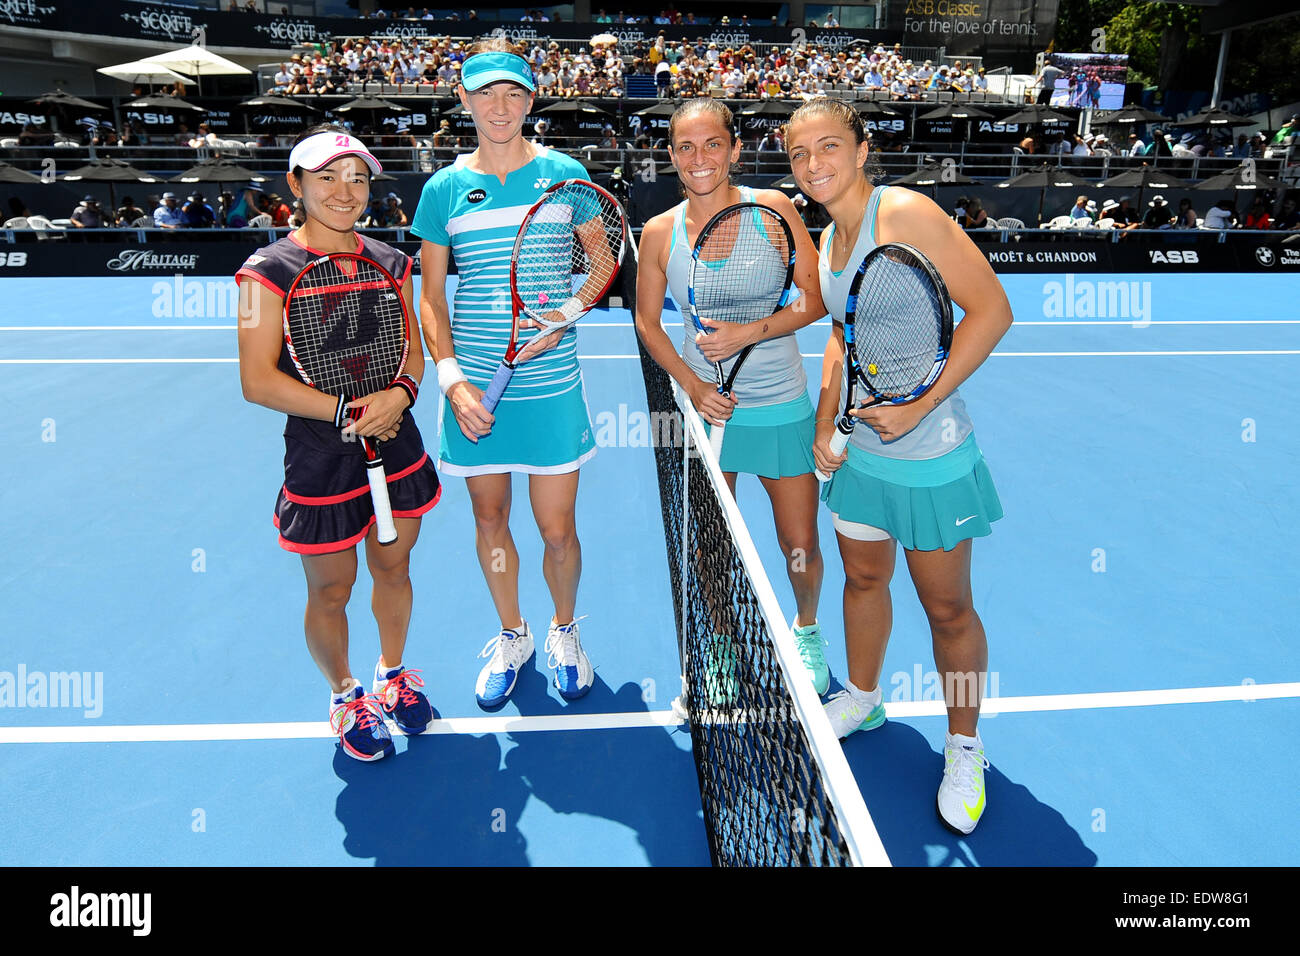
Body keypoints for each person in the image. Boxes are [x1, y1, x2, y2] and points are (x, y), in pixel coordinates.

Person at [785, 97, 1011, 835]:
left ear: (861, 147)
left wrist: (919, 404)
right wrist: (825, 420)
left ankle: (964, 744)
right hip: (861, 458)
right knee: (862, 578)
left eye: (827, 146)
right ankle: (864, 693)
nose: (813, 164)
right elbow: (840, 337)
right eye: (798, 153)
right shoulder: (827, 236)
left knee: (948, 609)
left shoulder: (904, 214)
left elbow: (992, 312)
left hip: (931, 454)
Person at [235, 126, 439, 762]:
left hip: (395, 439)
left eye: (357, 178)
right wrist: (347, 411)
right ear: (295, 186)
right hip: (322, 454)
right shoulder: (261, 274)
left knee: (394, 566)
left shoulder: (392, 261)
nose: (345, 191)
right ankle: (345, 692)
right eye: (327, 177)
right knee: (331, 588)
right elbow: (256, 381)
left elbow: (413, 347)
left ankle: (392, 671)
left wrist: (401, 394)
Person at [410, 38, 597, 709]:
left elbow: (602, 265)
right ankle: (512, 632)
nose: (499, 106)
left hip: (551, 388)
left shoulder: (567, 176)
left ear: (530, 100)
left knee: (557, 530)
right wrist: (453, 381)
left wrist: (567, 314)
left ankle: (565, 629)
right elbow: (431, 298)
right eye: (485, 93)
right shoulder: (444, 190)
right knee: (490, 519)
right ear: (463, 99)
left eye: (512, 93)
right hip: (474, 396)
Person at [634, 99, 832, 695]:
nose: (700, 159)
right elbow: (648, 322)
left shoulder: (772, 210)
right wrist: (693, 387)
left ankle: (807, 630)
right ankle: (720, 644)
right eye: (686, 147)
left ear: (735, 149)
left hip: (782, 406)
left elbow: (817, 298)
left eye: (713, 144)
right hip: (706, 414)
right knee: (711, 543)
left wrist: (749, 333)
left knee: (799, 542)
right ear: (671, 156)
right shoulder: (659, 232)